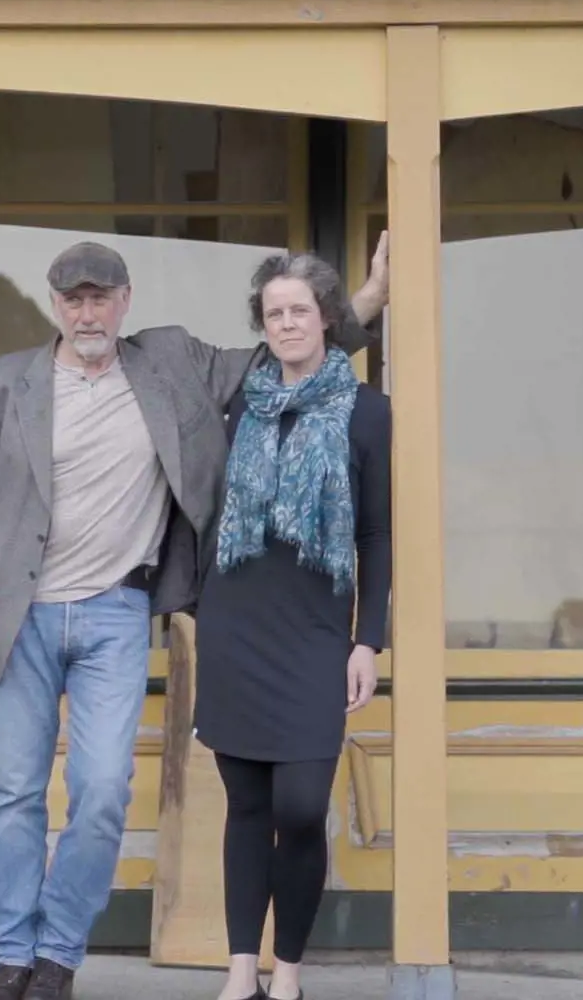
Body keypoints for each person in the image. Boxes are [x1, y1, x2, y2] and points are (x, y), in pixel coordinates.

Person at [0, 237, 389, 1000]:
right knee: (15, 789)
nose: (88, 311)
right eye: (73, 298)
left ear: (124, 302)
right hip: (18, 616)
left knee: (103, 791)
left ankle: (58, 954)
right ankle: (9, 954)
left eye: (101, 296)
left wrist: (371, 297)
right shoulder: (5, 383)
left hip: (118, 609)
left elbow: (291, 356)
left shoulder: (171, 362)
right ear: (54, 304)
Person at [192, 251, 392, 1000]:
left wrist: (366, 638)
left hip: (314, 631)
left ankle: (292, 968)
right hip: (234, 620)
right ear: (262, 325)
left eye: (300, 311)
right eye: (274, 313)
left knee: (301, 807)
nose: (285, 323)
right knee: (246, 804)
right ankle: (245, 971)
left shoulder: (367, 410)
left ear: (329, 320)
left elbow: (375, 533)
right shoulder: (241, 399)